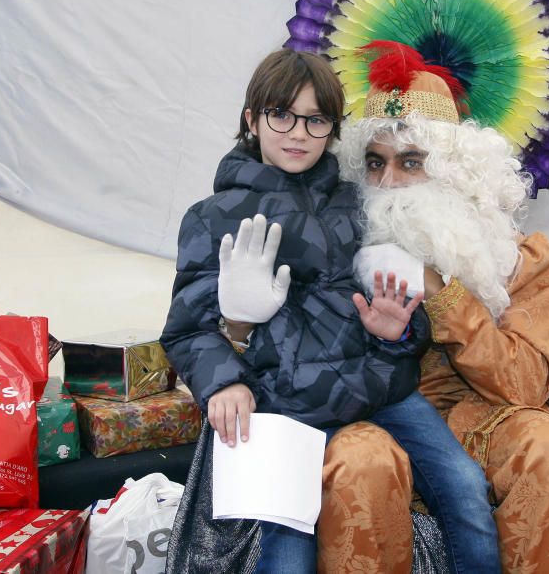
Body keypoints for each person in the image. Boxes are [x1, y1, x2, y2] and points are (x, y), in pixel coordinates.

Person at [160, 48, 501, 573]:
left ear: (333, 129)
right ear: (252, 119)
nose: (298, 133)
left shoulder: (359, 201)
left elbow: (400, 303)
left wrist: (397, 333)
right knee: (288, 553)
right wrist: (225, 378)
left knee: (465, 488)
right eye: (282, 115)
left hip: (380, 385)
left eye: (315, 119)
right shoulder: (211, 217)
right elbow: (187, 329)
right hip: (283, 403)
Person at [316, 41, 549, 573]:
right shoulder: (334, 243)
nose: (388, 183)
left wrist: (442, 291)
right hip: (373, 419)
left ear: (455, 173)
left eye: (411, 163)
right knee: (360, 462)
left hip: (484, 417)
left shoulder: (516, 257)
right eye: (374, 163)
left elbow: (525, 385)